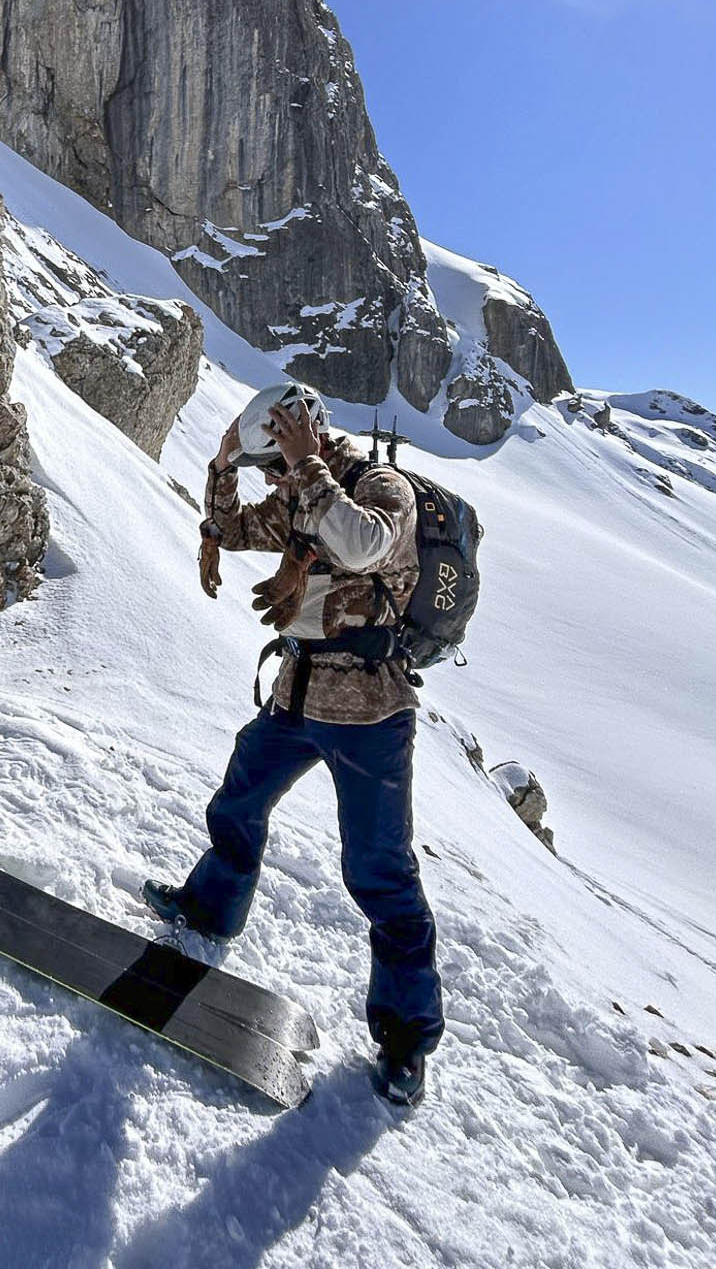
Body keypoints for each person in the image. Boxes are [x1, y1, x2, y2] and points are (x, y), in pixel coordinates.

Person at [144, 381, 444, 1107]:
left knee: (378, 868)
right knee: (240, 797)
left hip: (369, 712)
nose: (274, 483)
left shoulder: (381, 486)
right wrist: (222, 465)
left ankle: (405, 1040)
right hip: (299, 694)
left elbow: (364, 544)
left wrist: (308, 466)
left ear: (306, 437)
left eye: (275, 465)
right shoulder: (294, 493)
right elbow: (237, 527)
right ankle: (213, 908)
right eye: (270, 471)